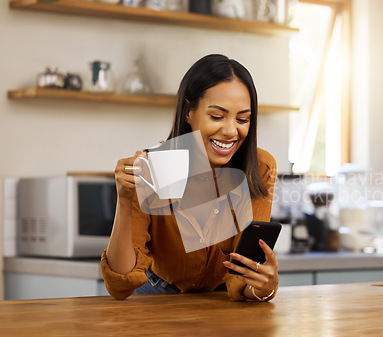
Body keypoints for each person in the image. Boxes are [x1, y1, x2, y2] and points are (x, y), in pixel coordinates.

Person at [101, 54, 279, 301]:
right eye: (217, 116)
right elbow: (119, 285)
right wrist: (124, 198)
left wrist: (263, 287)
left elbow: (244, 278)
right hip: (157, 297)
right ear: (188, 112)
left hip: (222, 302)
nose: (230, 131)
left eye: (242, 119)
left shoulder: (259, 168)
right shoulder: (151, 170)